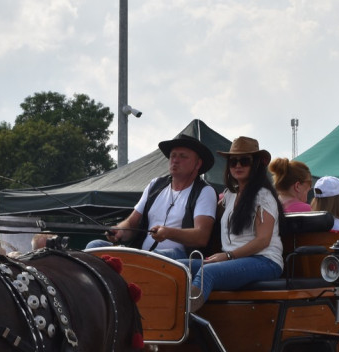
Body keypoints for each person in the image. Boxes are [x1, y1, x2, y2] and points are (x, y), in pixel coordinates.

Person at [179, 137, 282, 313]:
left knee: (208, 273)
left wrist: (227, 256)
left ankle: (178, 323)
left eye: (244, 161)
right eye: (233, 161)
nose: (238, 165)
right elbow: (207, 215)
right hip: (236, 259)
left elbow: (263, 241)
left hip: (265, 261)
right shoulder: (230, 195)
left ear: (257, 164)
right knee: (177, 267)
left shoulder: (263, 196)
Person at [85, 133, 217, 259]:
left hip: (179, 258)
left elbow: (201, 237)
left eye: (183, 156)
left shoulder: (204, 191)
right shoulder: (155, 185)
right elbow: (132, 223)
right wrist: (120, 231)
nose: (175, 160)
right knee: (95, 246)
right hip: (145, 254)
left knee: (157, 255)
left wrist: (168, 233)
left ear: (198, 164)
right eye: (173, 156)